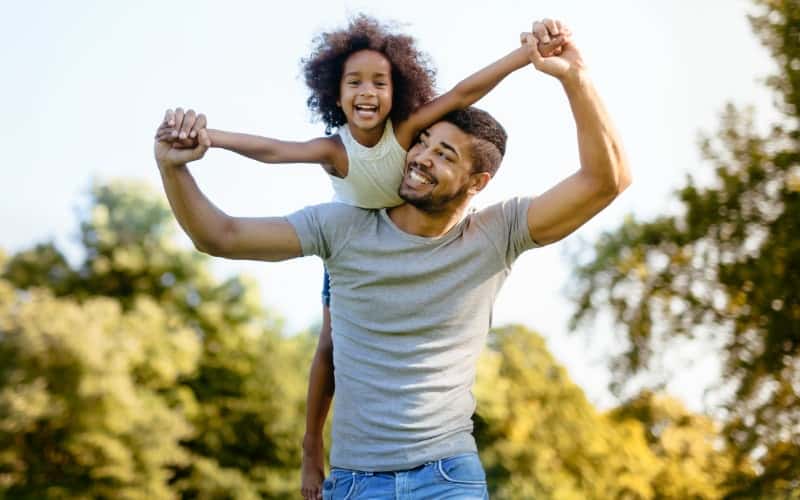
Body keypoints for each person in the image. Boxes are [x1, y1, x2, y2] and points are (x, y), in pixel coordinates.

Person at [154, 18, 630, 499]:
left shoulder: (497, 233)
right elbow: (220, 235)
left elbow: (604, 181)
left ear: (477, 182)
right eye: (422, 142)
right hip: (356, 482)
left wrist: (576, 77)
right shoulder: (343, 227)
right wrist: (173, 169)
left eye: (444, 154)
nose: (421, 157)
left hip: (448, 479)